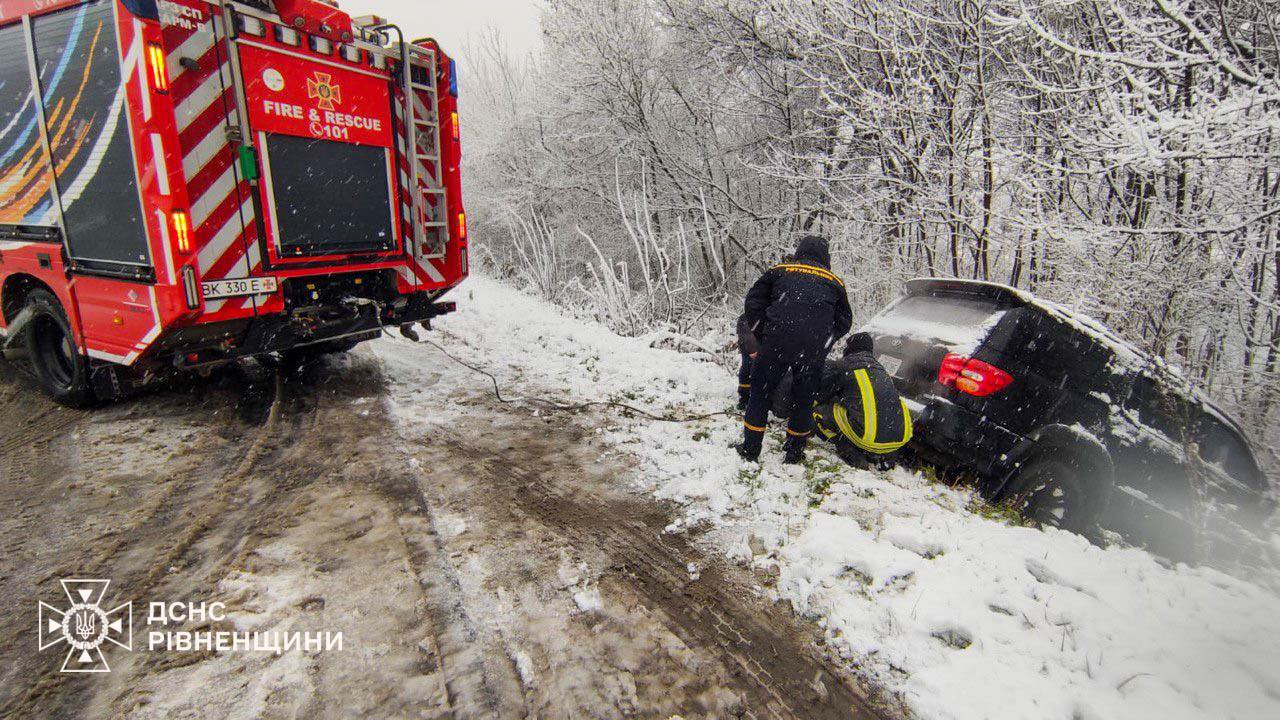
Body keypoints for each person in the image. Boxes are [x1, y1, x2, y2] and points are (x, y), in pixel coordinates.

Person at [738, 236, 853, 464]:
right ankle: (794, 453)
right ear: (826, 258)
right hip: (812, 349)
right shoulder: (834, 282)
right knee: (803, 400)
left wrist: (763, 334)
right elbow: (844, 321)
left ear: (799, 251)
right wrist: (823, 343)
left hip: (776, 341)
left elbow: (752, 302)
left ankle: (750, 450)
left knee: (760, 394)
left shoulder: (780, 271)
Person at [810, 332, 914, 468]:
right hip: (898, 440)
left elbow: (821, 395)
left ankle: (847, 448)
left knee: (819, 411)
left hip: (868, 437)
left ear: (849, 348)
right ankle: (882, 455)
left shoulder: (843, 366)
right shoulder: (881, 369)